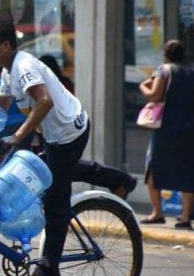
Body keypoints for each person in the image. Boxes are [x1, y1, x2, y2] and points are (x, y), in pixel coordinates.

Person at [0, 19, 89, 276]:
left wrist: (17, 137)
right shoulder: (7, 72)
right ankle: (117, 178)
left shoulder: (23, 66)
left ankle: (45, 275)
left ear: (6, 45)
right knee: (37, 179)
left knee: (55, 203)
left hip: (69, 132)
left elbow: (44, 102)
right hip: (51, 134)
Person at [38, 54, 137, 199]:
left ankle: (120, 179)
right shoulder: (62, 84)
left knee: (65, 171)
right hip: (55, 133)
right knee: (61, 172)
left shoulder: (54, 87)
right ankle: (120, 179)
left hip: (61, 134)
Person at [139, 40, 194, 229]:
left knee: (153, 168)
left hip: (166, 129)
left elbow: (155, 95)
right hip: (191, 130)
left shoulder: (164, 70)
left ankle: (157, 212)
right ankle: (185, 217)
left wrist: (143, 86)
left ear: (166, 54)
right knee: (189, 171)